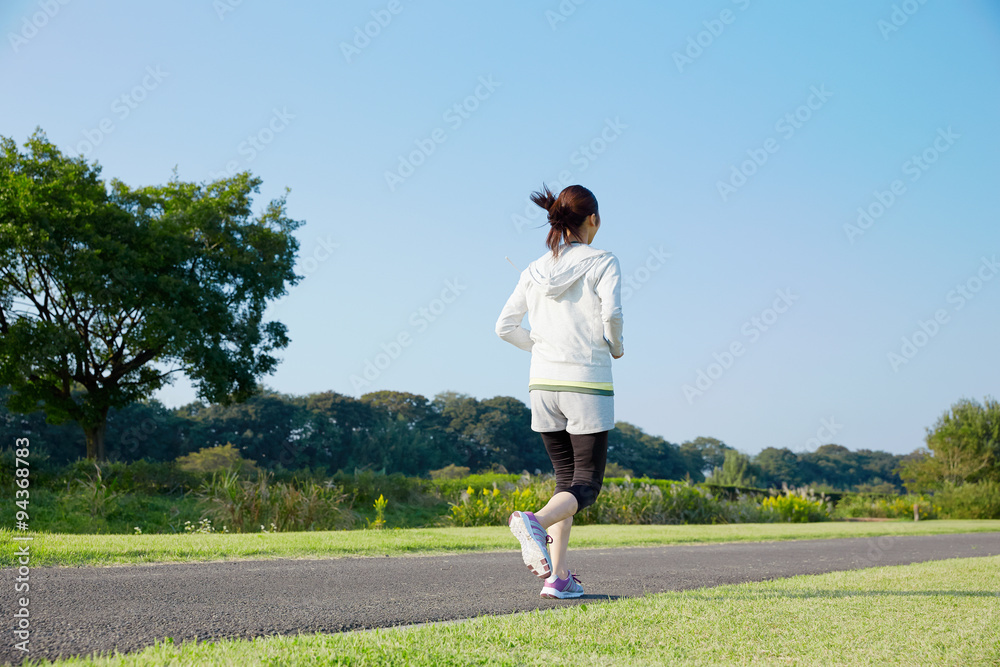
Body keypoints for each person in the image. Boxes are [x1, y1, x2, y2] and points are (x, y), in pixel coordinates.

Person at [495, 183, 623, 600]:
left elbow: (504, 328)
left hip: (541, 385)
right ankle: (532, 521)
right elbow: (613, 314)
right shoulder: (603, 260)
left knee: (565, 482)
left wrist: (540, 346)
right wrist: (616, 347)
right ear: (594, 220)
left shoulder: (531, 270)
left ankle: (559, 576)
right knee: (586, 486)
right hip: (585, 382)